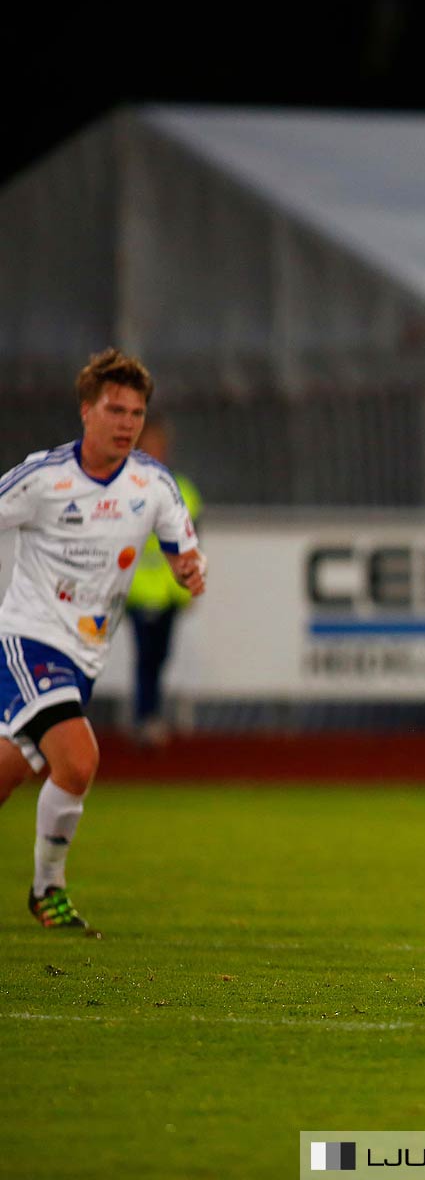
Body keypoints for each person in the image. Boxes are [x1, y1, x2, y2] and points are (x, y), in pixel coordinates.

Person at [0, 349, 206, 929]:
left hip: (84, 656)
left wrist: (190, 570)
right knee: (79, 759)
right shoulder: (44, 478)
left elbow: (183, 551)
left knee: (8, 773)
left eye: (136, 413)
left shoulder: (154, 485)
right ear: (86, 411)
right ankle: (47, 891)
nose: (127, 423)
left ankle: (45, 889)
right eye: (115, 410)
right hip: (28, 640)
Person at [124, 414, 203, 748]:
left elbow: (194, 541)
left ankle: (149, 715)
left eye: (160, 445)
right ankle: (145, 717)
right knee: (145, 656)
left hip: (170, 592)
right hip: (138, 591)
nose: (156, 451)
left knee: (160, 656)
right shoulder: (123, 487)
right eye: (149, 445)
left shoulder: (181, 489)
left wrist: (190, 583)